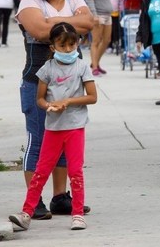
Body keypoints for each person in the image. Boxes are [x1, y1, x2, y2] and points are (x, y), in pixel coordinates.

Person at [15, 0, 95, 220]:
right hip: (37, 84)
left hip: (71, 89)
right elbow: (38, 30)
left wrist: (53, 24)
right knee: (38, 141)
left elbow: (89, 22)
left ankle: (60, 197)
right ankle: (33, 200)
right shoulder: (29, 1)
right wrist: (69, 24)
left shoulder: (75, 0)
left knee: (64, 140)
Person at [9, 22, 97, 231]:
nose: (67, 50)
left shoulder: (82, 67)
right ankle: (26, 213)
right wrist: (48, 105)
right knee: (41, 171)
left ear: (78, 43)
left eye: (71, 45)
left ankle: (77, 214)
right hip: (53, 128)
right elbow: (39, 98)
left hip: (75, 128)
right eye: (62, 46)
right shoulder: (46, 69)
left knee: (75, 172)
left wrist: (67, 102)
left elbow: (92, 97)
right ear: (52, 47)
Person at [86, 0, 114, 76]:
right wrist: (94, 15)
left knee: (107, 40)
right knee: (96, 41)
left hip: (108, 15)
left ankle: (95, 62)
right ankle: (95, 67)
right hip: (99, 14)